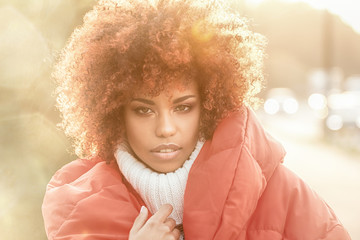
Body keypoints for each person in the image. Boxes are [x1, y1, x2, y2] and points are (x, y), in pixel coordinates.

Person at [42, 0, 351, 239]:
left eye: (183, 107)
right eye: (144, 110)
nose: (165, 128)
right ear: (113, 113)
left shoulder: (283, 194)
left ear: (210, 105)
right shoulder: (80, 210)